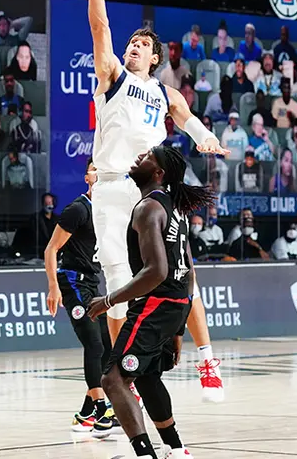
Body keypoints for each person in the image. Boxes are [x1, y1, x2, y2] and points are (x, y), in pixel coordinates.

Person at [75, 0, 227, 412]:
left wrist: (206, 140)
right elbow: (100, 28)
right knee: (119, 284)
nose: (134, 46)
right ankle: (129, 368)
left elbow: (188, 121)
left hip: (154, 191)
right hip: (113, 190)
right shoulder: (114, 79)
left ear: (156, 57)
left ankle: (207, 357)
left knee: (183, 271)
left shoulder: (165, 93)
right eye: (133, 42)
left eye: (143, 43)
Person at [86, 146, 212, 456]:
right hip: (175, 304)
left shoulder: (148, 209)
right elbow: (189, 269)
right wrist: (180, 328)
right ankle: (176, 450)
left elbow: (157, 271)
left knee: (113, 379)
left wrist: (108, 300)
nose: (138, 157)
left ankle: (144, 454)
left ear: (158, 173)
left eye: (147, 157)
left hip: (157, 303)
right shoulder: (173, 209)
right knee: (145, 376)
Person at [42, 158, 112, 432]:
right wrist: (52, 287)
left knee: (107, 345)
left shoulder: (107, 211)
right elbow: (51, 250)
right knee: (94, 345)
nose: (99, 174)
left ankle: (85, 414)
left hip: (93, 283)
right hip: (72, 282)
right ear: (87, 177)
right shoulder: (78, 209)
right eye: (94, 169)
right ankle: (101, 406)